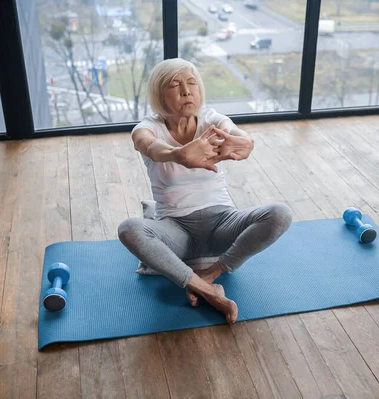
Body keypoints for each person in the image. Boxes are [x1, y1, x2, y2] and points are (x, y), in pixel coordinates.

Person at [117, 58, 292, 324]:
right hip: (176, 232)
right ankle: (207, 290)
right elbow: (149, 146)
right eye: (175, 85)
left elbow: (238, 134)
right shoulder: (147, 128)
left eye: (191, 83)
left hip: (222, 224)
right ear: (158, 94)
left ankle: (210, 274)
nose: (186, 91)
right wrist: (178, 155)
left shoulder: (211, 120)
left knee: (280, 213)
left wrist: (246, 143)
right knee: (129, 229)